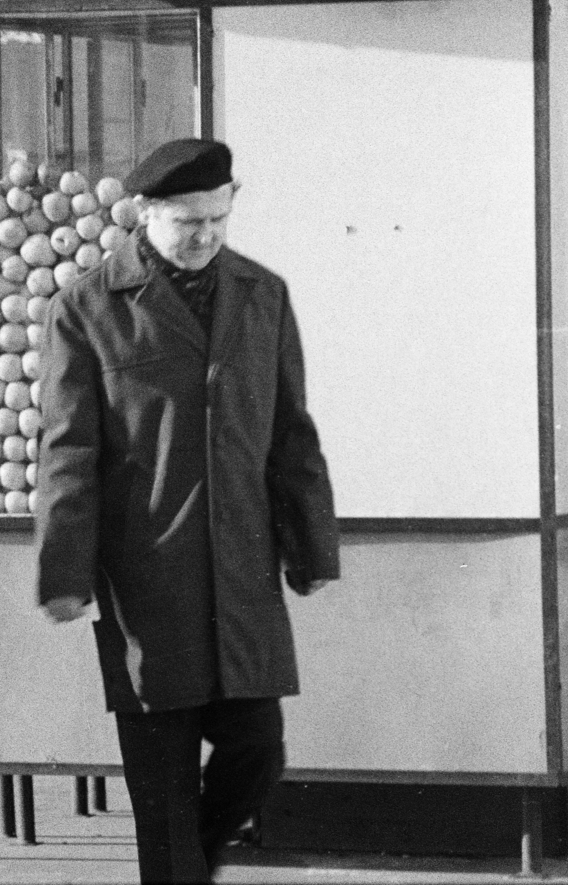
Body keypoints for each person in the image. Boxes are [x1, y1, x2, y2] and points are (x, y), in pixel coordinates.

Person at [35, 138, 341, 884]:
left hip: (242, 575)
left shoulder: (262, 293)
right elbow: (67, 453)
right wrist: (63, 573)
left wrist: (313, 549)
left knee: (258, 751)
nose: (205, 234)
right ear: (144, 214)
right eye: (187, 220)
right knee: (163, 795)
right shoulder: (85, 307)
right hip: (147, 584)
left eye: (217, 216)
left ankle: (183, 867)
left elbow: (290, 432)